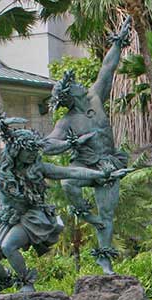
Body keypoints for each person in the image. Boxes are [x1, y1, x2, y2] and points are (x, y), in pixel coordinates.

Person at [0, 113, 126, 293]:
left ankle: (27, 283)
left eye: (34, 151)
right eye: (28, 151)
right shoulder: (2, 162)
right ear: (17, 150)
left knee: (9, 246)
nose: (32, 155)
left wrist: (101, 174)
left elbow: (73, 172)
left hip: (29, 217)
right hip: (5, 216)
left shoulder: (40, 168)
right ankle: (3, 281)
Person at [43, 16, 132, 274]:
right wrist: (73, 143)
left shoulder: (95, 99)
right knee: (68, 182)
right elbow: (48, 146)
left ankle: (104, 259)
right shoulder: (67, 122)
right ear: (71, 95)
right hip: (82, 164)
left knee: (107, 214)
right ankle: (84, 213)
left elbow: (107, 68)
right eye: (76, 84)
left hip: (107, 163)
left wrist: (118, 42)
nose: (82, 83)